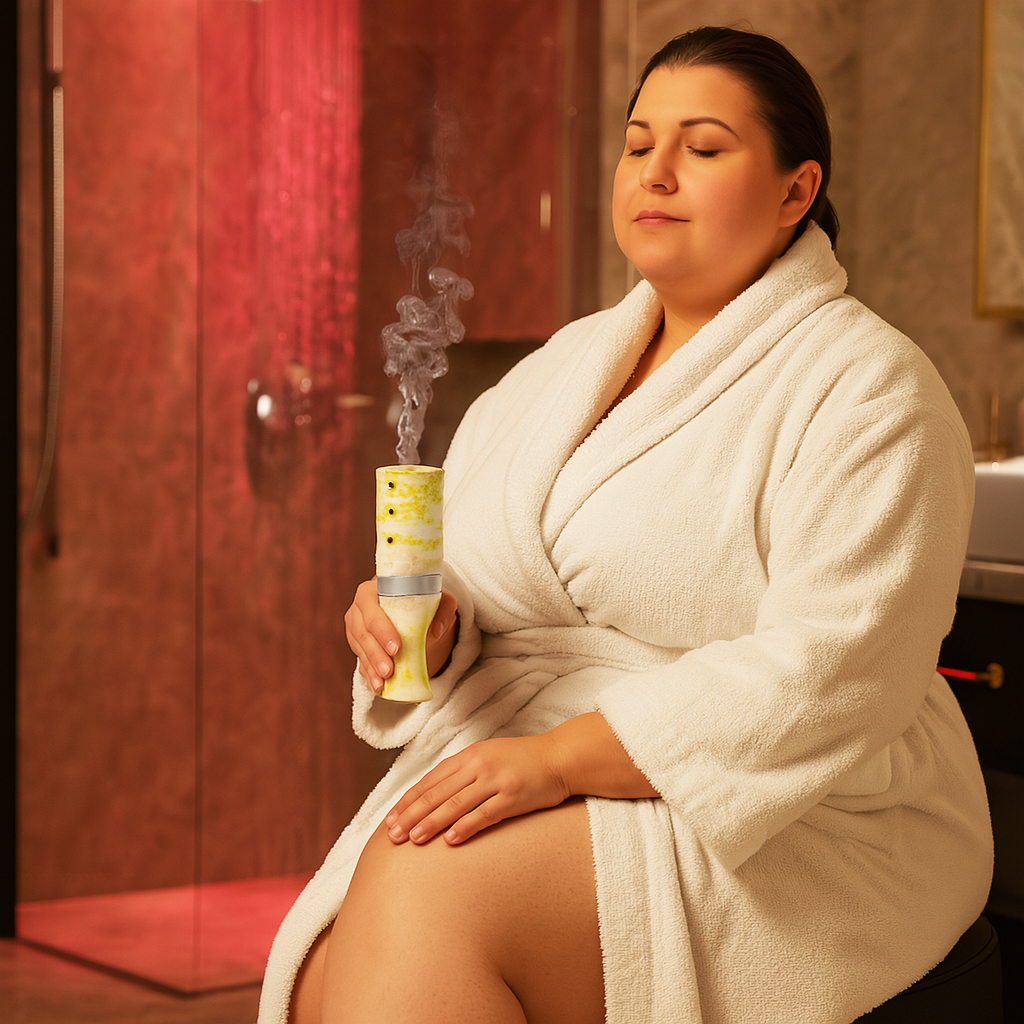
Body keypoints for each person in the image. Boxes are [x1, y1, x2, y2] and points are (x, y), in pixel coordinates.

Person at [258, 26, 992, 1024]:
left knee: (427, 894)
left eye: (704, 146)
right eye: (639, 142)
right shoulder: (553, 373)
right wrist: (426, 630)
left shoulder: (871, 388)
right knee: (322, 970)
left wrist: (560, 759)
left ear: (796, 191)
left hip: (797, 801)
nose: (656, 170)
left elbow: (835, 669)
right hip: (528, 747)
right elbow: (479, 587)